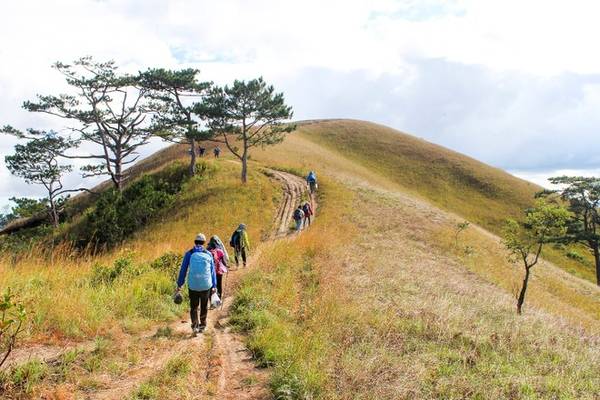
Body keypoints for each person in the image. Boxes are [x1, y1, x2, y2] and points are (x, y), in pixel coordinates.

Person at [176, 233, 216, 335]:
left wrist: (180, 284)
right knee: (204, 305)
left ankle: (194, 326)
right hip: (206, 285)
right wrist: (214, 285)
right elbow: (212, 271)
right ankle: (202, 326)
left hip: (193, 285)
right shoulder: (208, 254)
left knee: (194, 306)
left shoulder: (189, 253)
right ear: (203, 243)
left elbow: (183, 270)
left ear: (195, 242)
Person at [207, 235, 228, 300]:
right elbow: (223, 262)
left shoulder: (207, 251)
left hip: (210, 272)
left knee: (211, 286)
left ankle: (211, 301)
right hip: (218, 271)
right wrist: (227, 266)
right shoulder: (220, 251)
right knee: (219, 285)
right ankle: (219, 299)